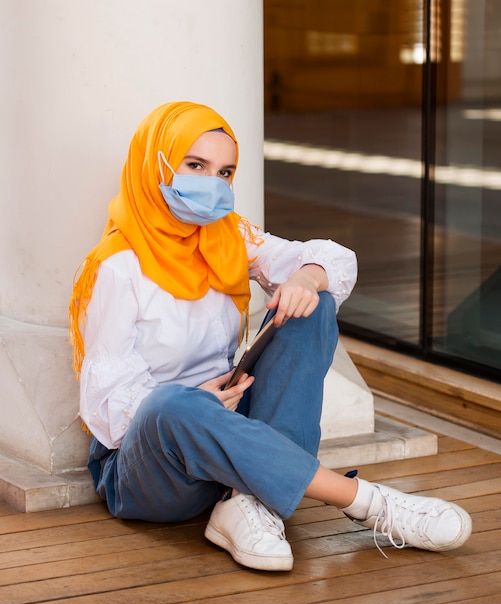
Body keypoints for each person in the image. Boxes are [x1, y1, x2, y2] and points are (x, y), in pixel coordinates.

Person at [69, 101, 472, 572]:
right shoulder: (116, 268)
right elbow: (105, 404)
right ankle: (371, 504)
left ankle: (247, 504)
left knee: (313, 302)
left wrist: (306, 278)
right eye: (195, 165)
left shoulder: (228, 238)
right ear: (153, 162)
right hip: (153, 465)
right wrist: (197, 400)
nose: (212, 183)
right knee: (169, 405)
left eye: (225, 172)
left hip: (232, 416)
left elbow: (332, 259)